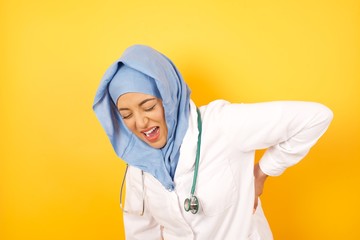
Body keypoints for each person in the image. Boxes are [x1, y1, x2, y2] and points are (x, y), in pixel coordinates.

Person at [93, 45, 333, 240]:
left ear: (169, 96)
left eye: (149, 107)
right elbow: (141, 231)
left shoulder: (222, 125)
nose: (140, 122)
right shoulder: (138, 161)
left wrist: (262, 173)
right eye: (126, 115)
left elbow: (315, 117)